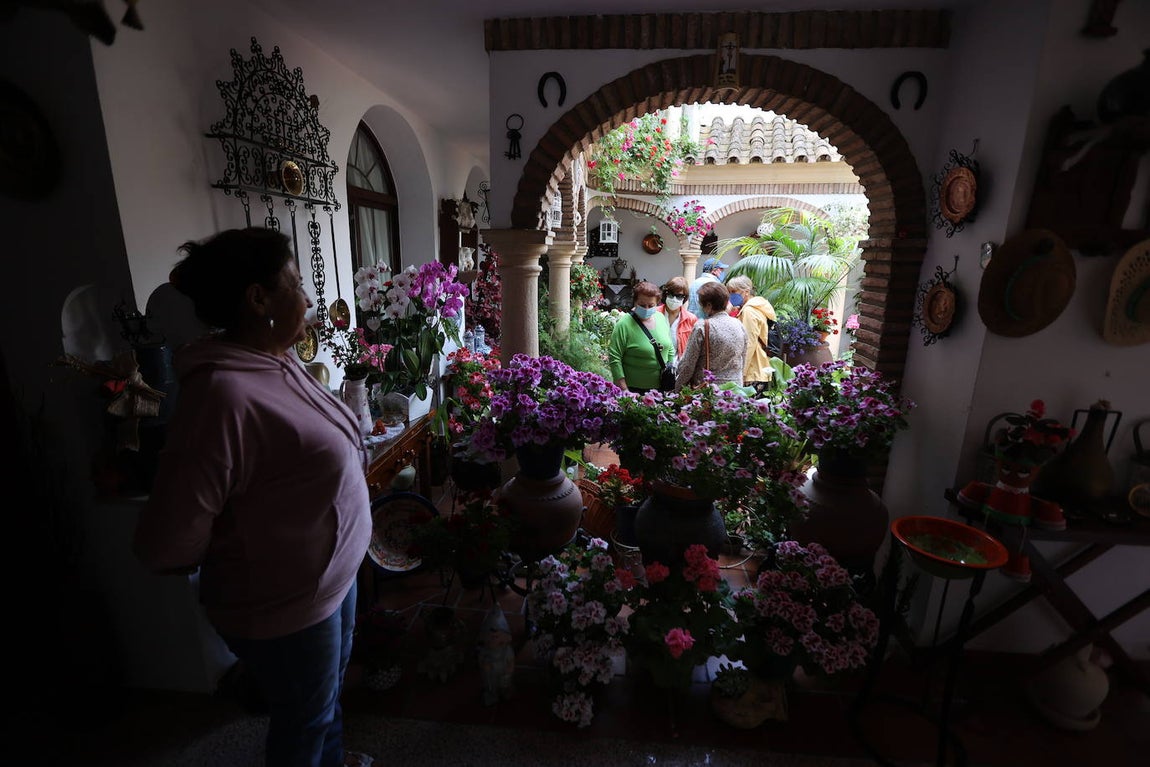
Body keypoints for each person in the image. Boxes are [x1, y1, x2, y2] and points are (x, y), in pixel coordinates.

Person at [133, 227, 375, 767]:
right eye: (295, 284)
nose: (307, 299)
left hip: (330, 583)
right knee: (303, 723)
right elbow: (169, 538)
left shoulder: (275, 360)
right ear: (257, 298)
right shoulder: (221, 394)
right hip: (288, 605)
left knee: (324, 702)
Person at [675, 280, 746, 390]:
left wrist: (678, 388)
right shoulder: (739, 325)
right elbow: (743, 358)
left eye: (701, 304)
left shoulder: (702, 327)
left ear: (708, 305)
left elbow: (688, 364)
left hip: (709, 390)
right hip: (735, 389)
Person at [608, 280, 674, 394]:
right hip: (633, 391)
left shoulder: (661, 318)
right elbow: (615, 358)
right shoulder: (624, 324)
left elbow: (670, 348)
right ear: (635, 302)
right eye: (642, 305)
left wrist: (670, 372)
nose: (647, 309)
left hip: (661, 389)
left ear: (657, 304)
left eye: (651, 305)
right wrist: (624, 390)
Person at [727, 274, 778, 395]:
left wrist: (742, 372)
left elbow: (749, 343)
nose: (731, 295)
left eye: (734, 291)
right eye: (729, 292)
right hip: (761, 367)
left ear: (746, 291)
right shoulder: (758, 306)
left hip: (753, 370)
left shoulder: (749, 311)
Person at [657, 275, 698, 364]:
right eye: (671, 294)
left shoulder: (691, 319)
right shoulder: (654, 314)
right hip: (655, 364)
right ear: (665, 294)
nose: (674, 299)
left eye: (679, 296)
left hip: (677, 366)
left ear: (684, 298)